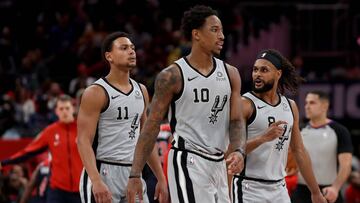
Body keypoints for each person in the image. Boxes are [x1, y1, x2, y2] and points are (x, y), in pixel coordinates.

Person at [127, 5, 246, 203]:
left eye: (222, 30)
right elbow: (151, 126)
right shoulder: (172, 76)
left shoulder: (231, 73)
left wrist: (239, 150)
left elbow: (236, 120)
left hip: (219, 163)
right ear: (196, 34)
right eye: (215, 30)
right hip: (188, 159)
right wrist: (135, 174)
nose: (222, 36)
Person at [77, 31, 168, 203]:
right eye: (124, 48)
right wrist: (96, 181)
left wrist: (161, 177)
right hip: (103, 170)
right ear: (109, 56)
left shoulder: (141, 90)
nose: (131, 51)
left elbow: (146, 139)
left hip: (133, 173)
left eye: (132, 48)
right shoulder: (96, 92)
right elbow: (83, 140)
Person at [231, 49, 327, 203]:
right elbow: (231, 150)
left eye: (264, 70)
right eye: (255, 70)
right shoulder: (245, 104)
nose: (257, 74)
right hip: (249, 189)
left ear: (278, 74)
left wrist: (315, 192)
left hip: (279, 189)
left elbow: (299, 150)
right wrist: (262, 138)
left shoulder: (290, 106)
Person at [0, 94, 82, 203]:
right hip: (57, 190)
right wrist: (4, 162)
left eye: (67, 108)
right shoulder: (50, 131)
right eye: (61, 109)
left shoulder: (82, 129)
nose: (64, 112)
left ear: (73, 108)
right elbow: (28, 152)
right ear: (56, 111)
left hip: (79, 190)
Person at [292, 90, 353, 203]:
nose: (307, 106)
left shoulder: (340, 131)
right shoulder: (299, 130)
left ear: (324, 106)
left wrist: (335, 188)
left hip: (328, 191)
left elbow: (346, 165)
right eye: (306, 103)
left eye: (312, 103)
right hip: (301, 192)